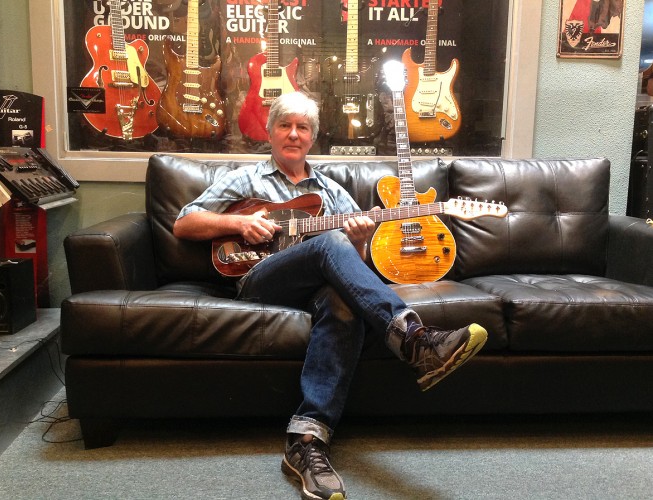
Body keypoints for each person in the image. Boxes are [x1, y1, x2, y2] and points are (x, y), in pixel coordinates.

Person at [174, 91, 487, 500]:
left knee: (342, 299)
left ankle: (306, 441)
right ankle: (414, 340)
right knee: (328, 242)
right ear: (269, 133)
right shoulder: (243, 179)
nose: (293, 134)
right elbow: (184, 223)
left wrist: (359, 242)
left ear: (312, 138)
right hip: (257, 278)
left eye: (302, 127)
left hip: (313, 290)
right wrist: (239, 221)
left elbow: (350, 264)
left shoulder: (330, 191)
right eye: (285, 125)